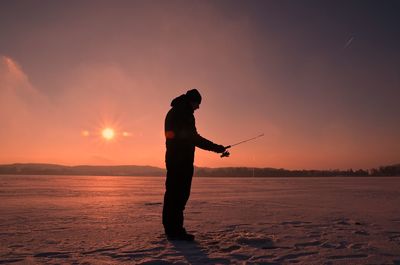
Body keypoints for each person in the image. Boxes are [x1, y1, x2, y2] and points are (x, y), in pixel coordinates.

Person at [163, 88, 227, 241]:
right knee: (179, 195)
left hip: (174, 159)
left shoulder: (175, 111)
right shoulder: (184, 113)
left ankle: (171, 229)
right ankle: (175, 231)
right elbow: (194, 138)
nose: (198, 107)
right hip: (181, 160)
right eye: (197, 104)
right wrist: (217, 148)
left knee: (172, 194)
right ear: (191, 101)